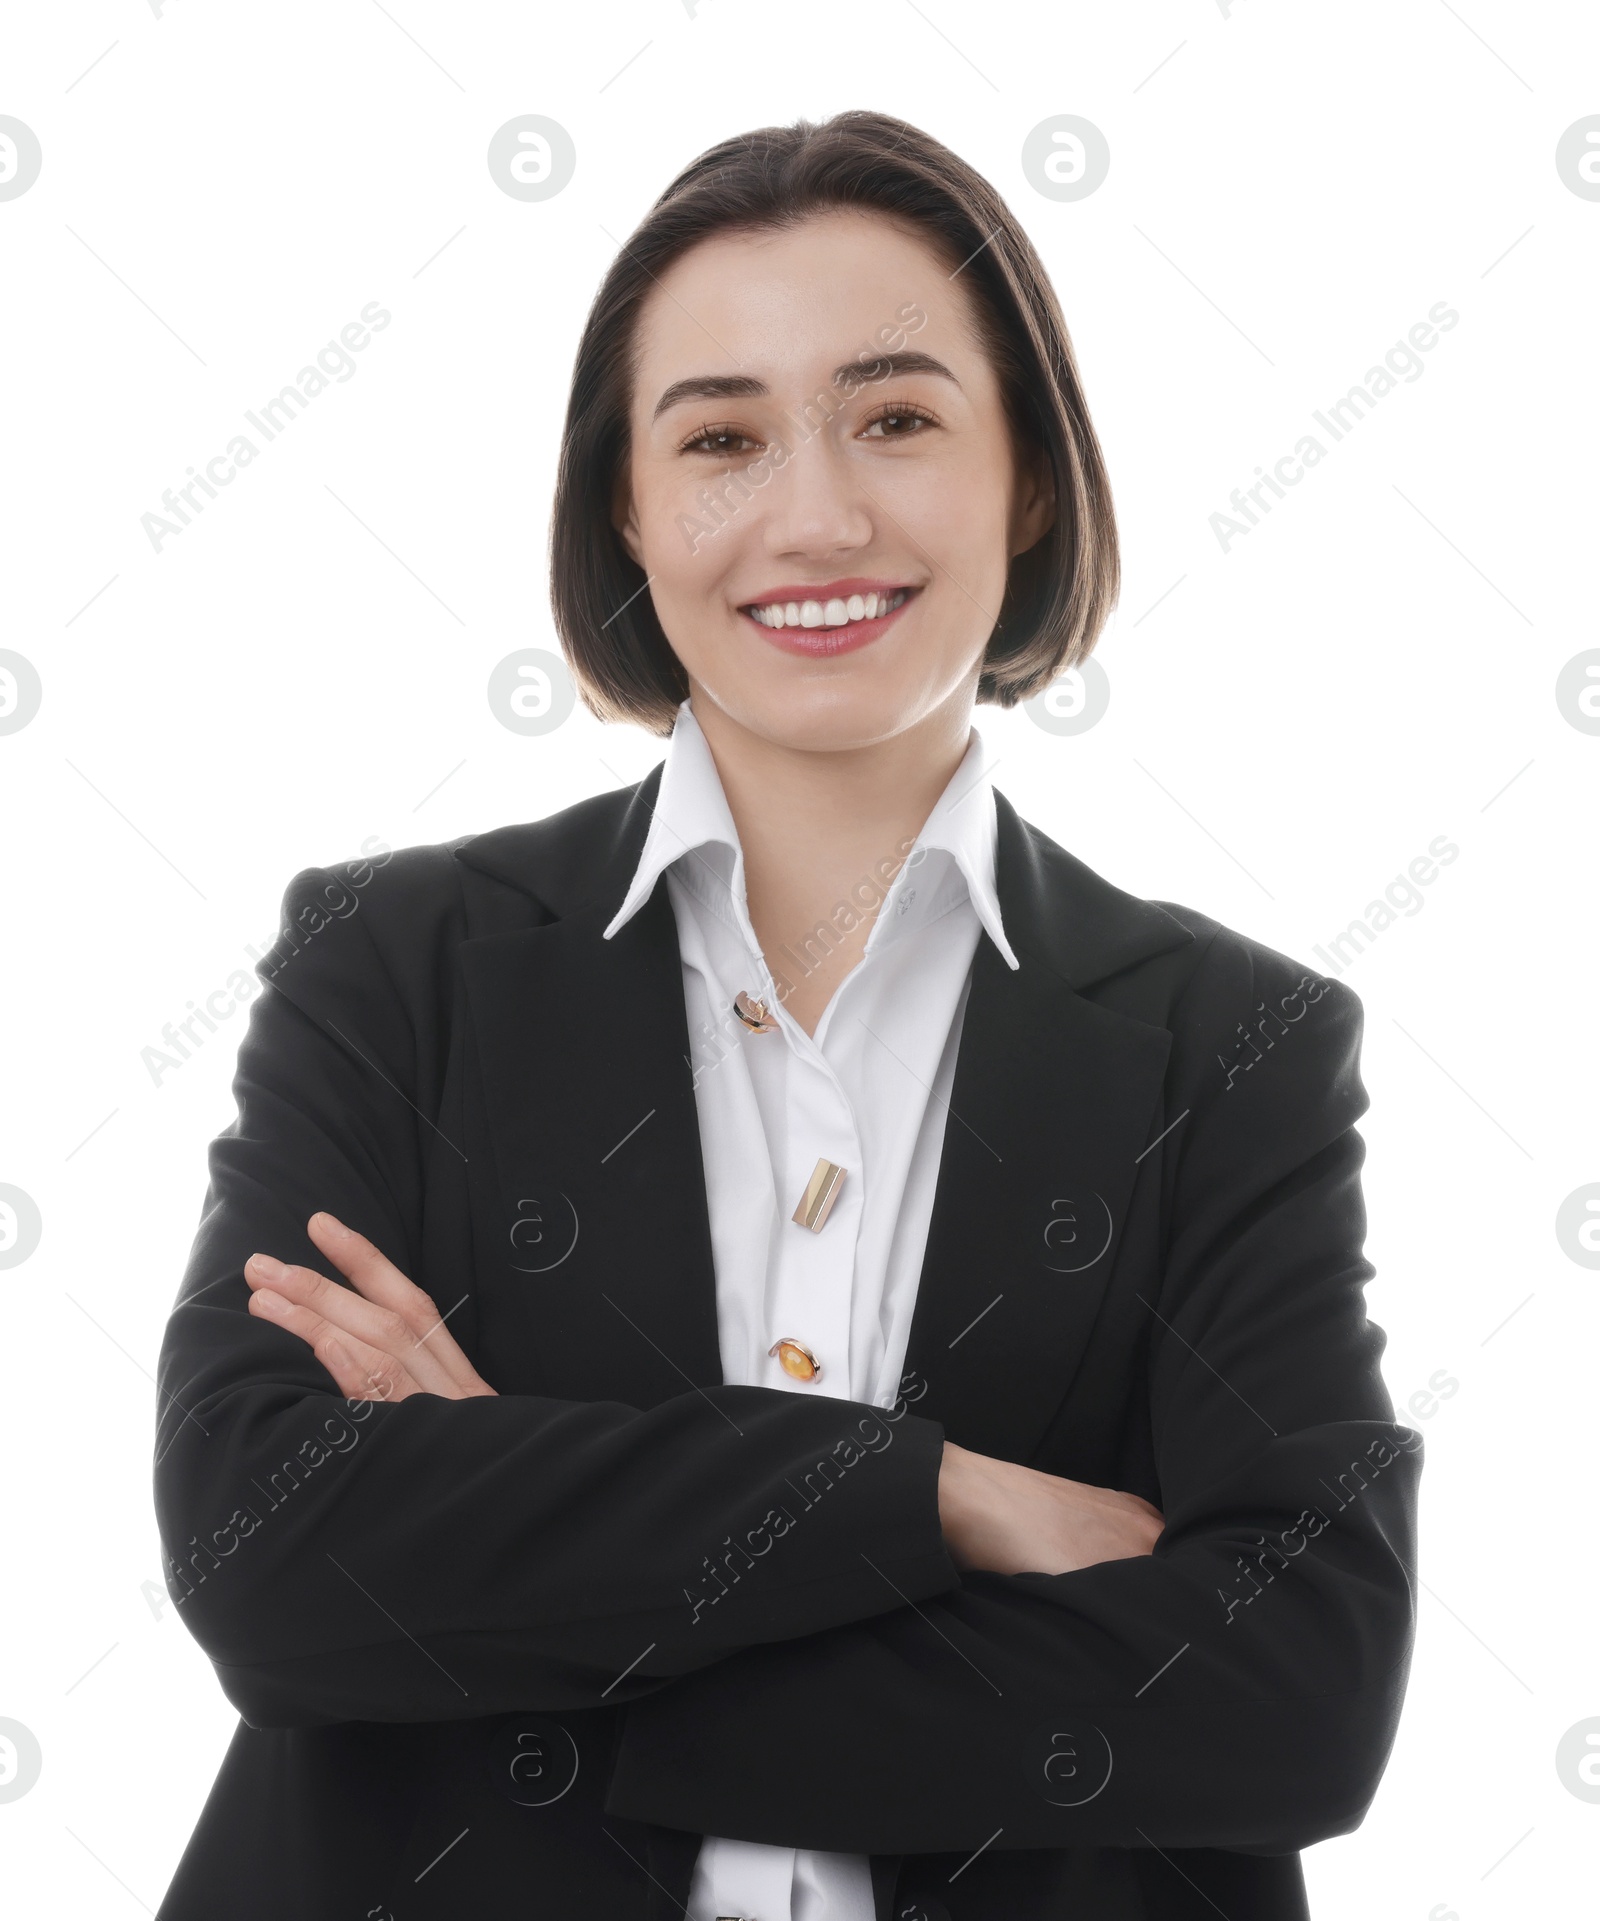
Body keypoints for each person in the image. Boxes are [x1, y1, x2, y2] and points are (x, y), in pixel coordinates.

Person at [153, 110, 1419, 1921]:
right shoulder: (398, 960)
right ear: (631, 504)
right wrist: (943, 1502)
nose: (814, 513)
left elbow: (1296, 1695)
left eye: (897, 417)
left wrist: (520, 1583)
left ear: (1031, 480)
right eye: (723, 438)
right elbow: (265, 1546)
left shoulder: (1235, 1045)